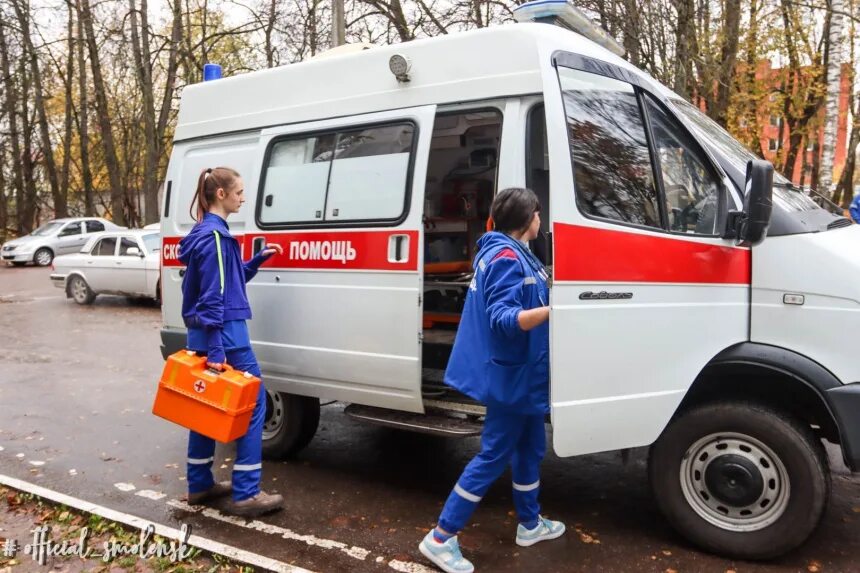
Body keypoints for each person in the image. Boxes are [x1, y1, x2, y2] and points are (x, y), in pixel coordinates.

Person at [419, 188, 565, 573]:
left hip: (524, 376)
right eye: (538, 213)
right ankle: (440, 537)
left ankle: (530, 525)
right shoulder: (503, 257)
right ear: (527, 218)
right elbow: (503, 318)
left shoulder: (513, 252)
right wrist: (555, 311)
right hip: (512, 377)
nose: (540, 219)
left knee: (531, 449)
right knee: (492, 456)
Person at [178, 166, 285, 517]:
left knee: (205, 407)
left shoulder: (203, 233)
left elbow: (226, 283)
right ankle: (246, 493)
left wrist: (253, 262)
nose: (243, 197)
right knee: (254, 405)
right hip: (227, 336)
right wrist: (219, 349)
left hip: (207, 335)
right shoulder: (216, 238)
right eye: (239, 192)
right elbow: (214, 295)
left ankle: (199, 485)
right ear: (221, 194)